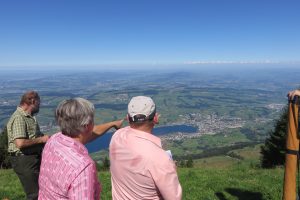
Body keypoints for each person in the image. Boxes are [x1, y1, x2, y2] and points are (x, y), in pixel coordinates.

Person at [38, 97, 123, 199]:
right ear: (87, 126)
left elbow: (87, 133)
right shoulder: (83, 167)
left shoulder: (53, 141)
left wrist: (112, 124)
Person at [109, 96, 182, 200]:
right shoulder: (161, 159)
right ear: (156, 118)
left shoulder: (117, 137)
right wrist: (172, 169)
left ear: (128, 118)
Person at [7, 91, 50, 200]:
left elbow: (32, 137)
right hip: (24, 160)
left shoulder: (28, 117)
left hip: (31, 158)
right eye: (39, 102)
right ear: (33, 101)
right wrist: (42, 139)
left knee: (41, 191)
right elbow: (20, 143)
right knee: (35, 195)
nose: (39, 105)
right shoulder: (19, 118)